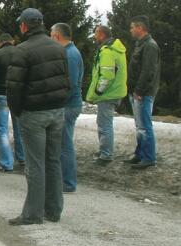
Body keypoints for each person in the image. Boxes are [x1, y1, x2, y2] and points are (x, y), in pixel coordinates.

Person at [6, 8, 70, 225]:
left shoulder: (22, 50)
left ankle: (33, 214)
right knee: (53, 160)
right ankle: (53, 210)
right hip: (57, 111)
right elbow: (66, 79)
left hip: (34, 113)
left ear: (24, 26)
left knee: (35, 164)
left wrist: (17, 112)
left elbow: (14, 88)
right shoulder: (59, 47)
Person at [85, 25, 128, 165]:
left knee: (105, 124)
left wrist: (98, 91)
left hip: (108, 94)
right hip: (115, 92)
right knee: (104, 123)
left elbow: (107, 75)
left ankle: (106, 155)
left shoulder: (107, 51)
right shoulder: (116, 49)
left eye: (96, 34)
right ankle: (105, 149)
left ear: (102, 35)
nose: (94, 37)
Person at [51, 23, 83, 192]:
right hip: (68, 104)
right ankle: (64, 180)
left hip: (68, 105)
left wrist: (57, 102)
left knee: (64, 144)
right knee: (63, 143)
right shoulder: (70, 52)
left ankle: (68, 183)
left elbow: (69, 85)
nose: (50, 38)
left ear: (57, 36)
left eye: (51, 34)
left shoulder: (70, 55)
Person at [0, 34, 25, 172]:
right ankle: (23, 158)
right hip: (19, 95)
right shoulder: (21, 53)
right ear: (13, 41)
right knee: (19, 127)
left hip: (0, 95)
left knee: (2, 129)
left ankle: (6, 163)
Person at [128, 16, 160, 169]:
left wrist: (139, 91)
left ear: (140, 27)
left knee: (145, 126)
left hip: (143, 93)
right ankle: (140, 154)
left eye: (132, 27)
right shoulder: (141, 44)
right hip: (137, 91)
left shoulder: (150, 46)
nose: (131, 30)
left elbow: (148, 71)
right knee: (139, 125)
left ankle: (149, 158)